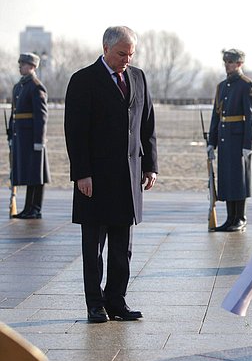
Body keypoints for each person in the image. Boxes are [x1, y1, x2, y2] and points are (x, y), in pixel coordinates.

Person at [64, 26, 158, 323]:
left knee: (122, 248)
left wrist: (150, 165)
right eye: (121, 54)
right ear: (105, 48)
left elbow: (147, 124)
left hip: (129, 177)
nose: (126, 60)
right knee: (94, 248)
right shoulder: (83, 81)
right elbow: (75, 132)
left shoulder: (138, 77)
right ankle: (95, 304)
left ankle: (117, 300)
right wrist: (81, 174)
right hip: (95, 177)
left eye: (131, 54)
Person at [207, 49, 252, 232]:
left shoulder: (246, 85)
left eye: (230, 61)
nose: (227, 64)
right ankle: (230, 218)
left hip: (238, 139)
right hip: (224, 138)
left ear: (239, 64)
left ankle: (240, 218)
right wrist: (211, 142)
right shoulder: (222, 86)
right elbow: (216, 116)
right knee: (227, 178)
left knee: (239, 179)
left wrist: (248, 145)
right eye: (225, 61)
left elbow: (251, 118)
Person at [8, 52, 50, 219]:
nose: (20, 66)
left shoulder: (36, 86)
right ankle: (28, 208)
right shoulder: (19, 86)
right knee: (28, 173)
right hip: (21, 137)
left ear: (32, 66)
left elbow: (41, 116)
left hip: (32, 137)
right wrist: (11, 134)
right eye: (20, 64)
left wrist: (39, 141)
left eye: (23, 64)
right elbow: (14, 113)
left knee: (36, 174)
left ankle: (35, 208)